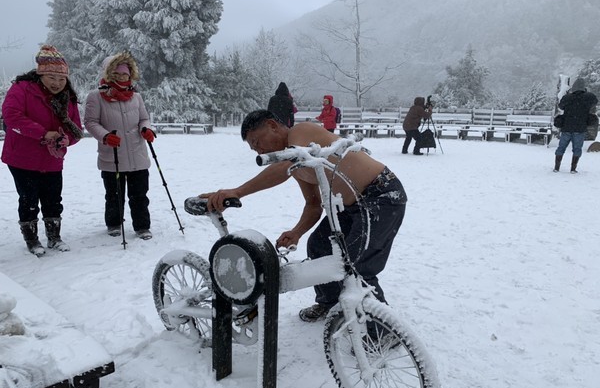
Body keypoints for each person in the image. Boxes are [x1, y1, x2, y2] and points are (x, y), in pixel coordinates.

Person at [200, 110, 407, 322]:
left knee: (357, 265)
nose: (259, 150)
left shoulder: (301, 132)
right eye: (254, 148)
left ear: (273, 125)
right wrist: (296, 232)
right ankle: (330, 303)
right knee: (319, 245)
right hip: (350, 206)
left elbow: (284, 166)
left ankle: (381, 329)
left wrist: (238, 191)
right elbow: (313, 205)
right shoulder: (299, 165)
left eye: (257, 142)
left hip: (382, 196)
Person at [1, 45, 83, 256]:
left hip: (52, 158)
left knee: (53, 198)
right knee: (28, 198)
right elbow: (11, 116)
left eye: (61, 79)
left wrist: (66, 140)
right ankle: (32, 239)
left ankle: (54, 238)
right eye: (51, 77)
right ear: (40, 74)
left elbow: (75, 128)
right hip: (22, 157)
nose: (57, 83)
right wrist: (42, 133)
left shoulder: (68, 97)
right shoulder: (22, 89)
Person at [84, 51, 156, 240]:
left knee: (140, 195)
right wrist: (105, 136)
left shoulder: (136, 97)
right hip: (112, 155)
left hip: (137, 155)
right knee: (114, 194)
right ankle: (114, 223)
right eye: (117, 74)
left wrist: (145, 129)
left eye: (125, 74)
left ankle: (142, 226)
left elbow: (144, 118)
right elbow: (91, 122)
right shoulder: (96, 97)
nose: (122, 78)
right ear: (108, 75)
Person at [553, 78, 598, 173]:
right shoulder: (588, 97)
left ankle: (557, 167)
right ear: (583, 87)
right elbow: (595, 101)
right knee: (577, 149)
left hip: (566, 127)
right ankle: (573, 169)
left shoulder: (567, 97)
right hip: (580, 128)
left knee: (561, 148)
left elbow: (561, 106)